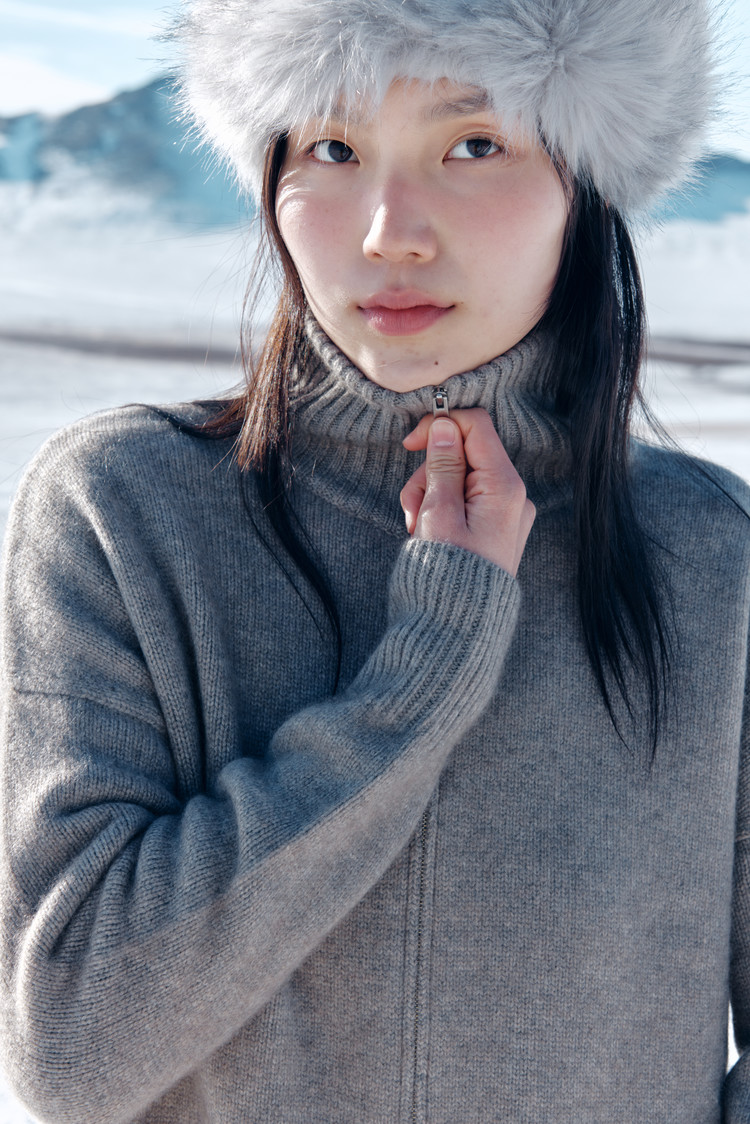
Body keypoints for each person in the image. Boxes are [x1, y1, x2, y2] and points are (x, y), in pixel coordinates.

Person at [1, 0, 748, 1121]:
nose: (390, 230)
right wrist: (425, 675)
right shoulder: (122, 511)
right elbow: (70, 1051)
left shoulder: (713, 555)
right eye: (334, 148)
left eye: (475, 144)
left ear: (587, 183)